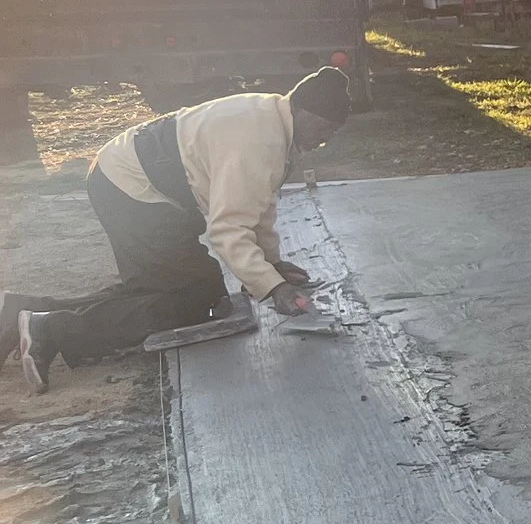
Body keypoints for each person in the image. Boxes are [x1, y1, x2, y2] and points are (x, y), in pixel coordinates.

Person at [8, 68, 354, 392]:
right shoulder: (261, 141)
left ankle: (27, 311)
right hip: (130, 188)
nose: (325, 139)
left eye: (334, 133)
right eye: (323, 128)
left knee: (192, 290)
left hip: (133, 180)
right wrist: (271, 287)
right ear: (301, 109)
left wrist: (272, 266)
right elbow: (228, 229)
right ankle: (51, 330)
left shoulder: (274, 120)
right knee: (190, 303)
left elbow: (257, 207)